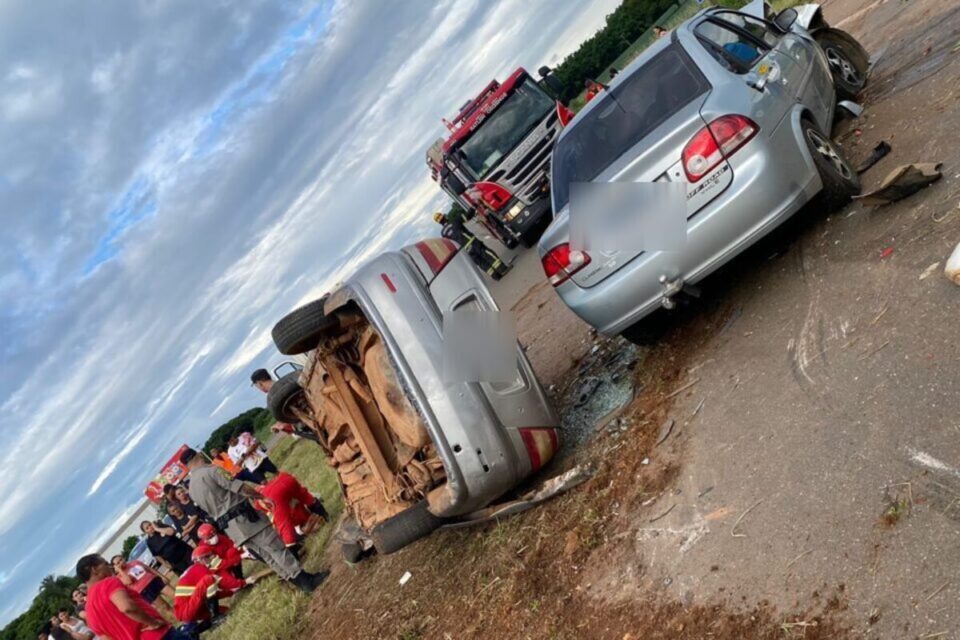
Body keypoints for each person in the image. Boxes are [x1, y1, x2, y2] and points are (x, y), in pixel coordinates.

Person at [179, 447, 329, 592]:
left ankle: (295, 580)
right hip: (246, 518)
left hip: (231, 528)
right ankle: (305, 580)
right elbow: (240, 487)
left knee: (267, 555)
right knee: (276, 548)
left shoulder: (191, 488)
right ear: (198, 455)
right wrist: (261, 496)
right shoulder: (211, 471)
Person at [76, 554, 191, 640]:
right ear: (94, 569)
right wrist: (153, 623)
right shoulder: (108, 583)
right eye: (105, 564)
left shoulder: (89, 612)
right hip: (158, 635)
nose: (110, 567)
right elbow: (126, 607)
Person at [173, 546, 243, 634]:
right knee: (208, 579)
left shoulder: (195, 570)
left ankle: (191, 632)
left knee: (225, 610)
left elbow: (212, 592)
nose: (212, 558)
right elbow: (221, 584)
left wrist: (230, 592)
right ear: (202, 559)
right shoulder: (199, 569)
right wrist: (241, 584)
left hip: (192, 608)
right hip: (186, 610)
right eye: (209, 556)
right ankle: (216, 618)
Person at [256, 472, 328, 548]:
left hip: (276, 498)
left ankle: (294, 552)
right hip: (284, 479)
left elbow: (282, 524)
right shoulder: (263, 499)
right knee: (306, 499)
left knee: (286, 528)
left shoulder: (262, 504)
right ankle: (324, 515)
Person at [433, 212, 510, 281]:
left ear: (439, 222)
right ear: (444, 217)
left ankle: (496, 276)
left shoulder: (443, 233)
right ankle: (502, 269)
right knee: (487, 254)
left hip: (465, 250)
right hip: (473, 242)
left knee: (480, 262)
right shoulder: (454, 221)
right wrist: (473, 208)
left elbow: (450, 244)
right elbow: (468, 216)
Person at [111, 555, 175, 618]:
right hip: (145, 591)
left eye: (121, 559)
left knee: (175, 594)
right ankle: (181, 617)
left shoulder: (135, 562)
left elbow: (149, 569)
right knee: (165, 607)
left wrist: (161, 576)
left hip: (154, 581)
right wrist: (120, 570)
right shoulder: (119, 577)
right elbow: (128, 581)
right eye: (118, 563)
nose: (121, 562)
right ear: (115, 567)